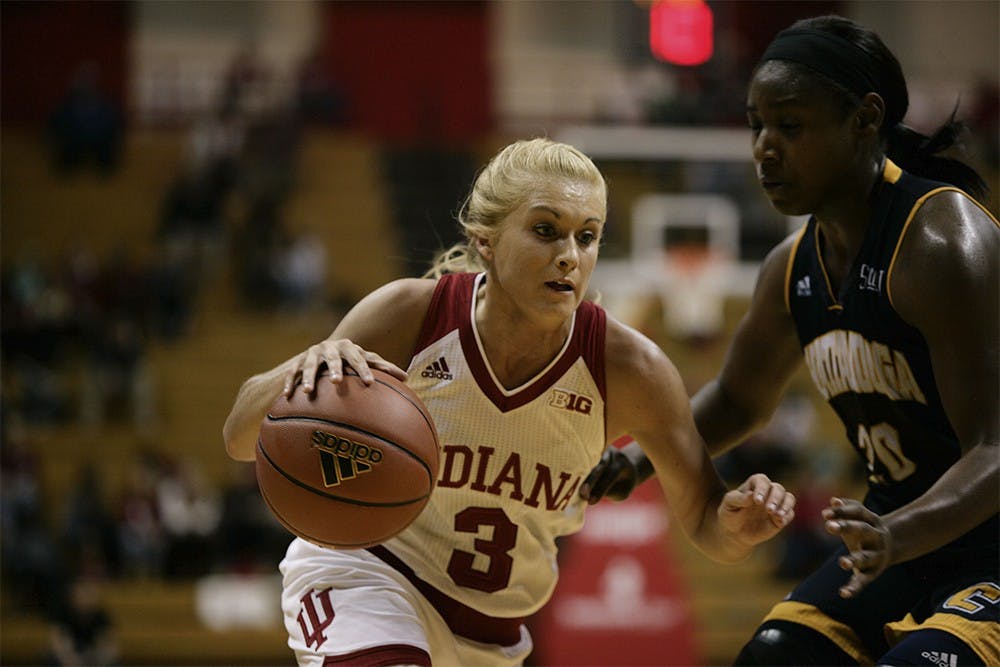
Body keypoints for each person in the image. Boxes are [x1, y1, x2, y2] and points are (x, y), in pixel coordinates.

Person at [223, 137, 796, 666]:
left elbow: (705, 520)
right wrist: (299, 370)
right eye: (546, 230)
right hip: (367, 575)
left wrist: (738, 528)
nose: (570, 254)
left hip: (495, 635)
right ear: (486, 240)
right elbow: (239, 438)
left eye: (588, 235)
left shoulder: (632, 369)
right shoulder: (410, 315)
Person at [580, 14, 999, 666]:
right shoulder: (790, 268)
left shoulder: (940, 240)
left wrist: (897, 531)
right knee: (774, 654)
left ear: (865, 119)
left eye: (791, 126)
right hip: (898, 538)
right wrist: (637, 460)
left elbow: (996, 448)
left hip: (983, 543)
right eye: (757, 126)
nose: (764, 148)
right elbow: (738, 401)